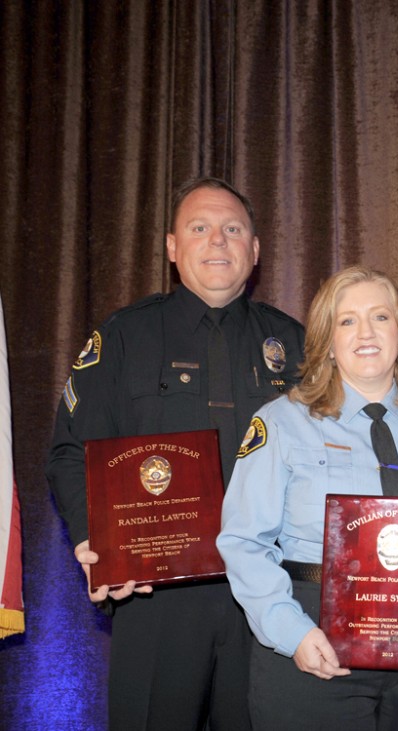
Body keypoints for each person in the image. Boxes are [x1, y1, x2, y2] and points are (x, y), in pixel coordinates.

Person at [46, 177, 305, 730]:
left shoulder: (296, 345)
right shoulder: (123, 337)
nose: (218, 241)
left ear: (255, 250)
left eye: (233, 229)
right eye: (200, 228)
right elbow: (70, 451)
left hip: (268, 597)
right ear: (171, 246)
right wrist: (96, 538)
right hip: (156, 596)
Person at [217, 266, 398, 730]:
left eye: (380, 317)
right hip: (316, 642)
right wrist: (292, 633)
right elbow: (244, 541)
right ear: (327, 341)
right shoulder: (282, 422)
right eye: (347, 321)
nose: (365, 332)